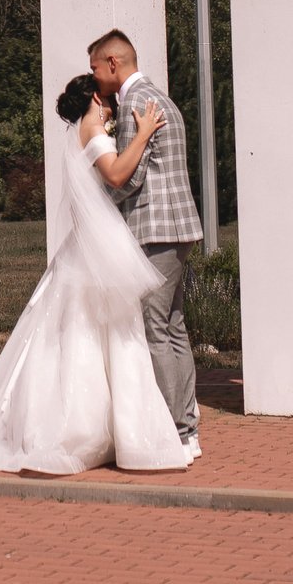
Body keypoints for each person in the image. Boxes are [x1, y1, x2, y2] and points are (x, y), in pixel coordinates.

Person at [0, 71, 190, 475]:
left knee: (94, 336)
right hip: (98, 247)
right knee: (106, 335)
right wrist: (144, 133)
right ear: (96, 100)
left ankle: (112, 429)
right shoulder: (94, 130)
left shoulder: (86, 129)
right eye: (109, 100)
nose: (114, 106)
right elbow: (116, 174)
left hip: (91, 244)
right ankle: (96, 432)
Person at [88, 28, 203, 459]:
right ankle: (187, 426)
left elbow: (129, 178)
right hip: (178, 225)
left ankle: (178, 431)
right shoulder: (160, 96)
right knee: (173, 326)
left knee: (157, 329)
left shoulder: (134, 102)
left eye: (96, 68)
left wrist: (97, 200)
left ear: (113, 64)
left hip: (155, 228)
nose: (95, 76)